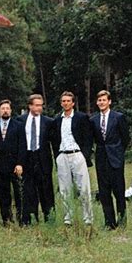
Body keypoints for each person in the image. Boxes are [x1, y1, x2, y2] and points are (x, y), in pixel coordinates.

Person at [52, 92, 93, 226]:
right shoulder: (57, 120)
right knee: (64, 189)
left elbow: (88, 138)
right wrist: (57, 156)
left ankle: (88, 218)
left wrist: (84, 155)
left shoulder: (81, 118)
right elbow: (54, 140)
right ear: (61, 103)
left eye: (68, 101)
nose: (66, 103)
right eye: (63, 101)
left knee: (83, 187)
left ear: (73, 103)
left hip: (77, 154)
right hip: (62, 155)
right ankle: (67, 218)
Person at [90, 90, 129, 229]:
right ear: (97, 102)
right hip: (101, 159)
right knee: (104, 193)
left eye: (104, 100)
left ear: (109, 101)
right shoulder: (93, 120)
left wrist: (118, 151)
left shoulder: (118, 117)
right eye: (99, 100)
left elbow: (125, 138)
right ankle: (109, 223)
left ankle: (122, 221)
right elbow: (93, 139)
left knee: (119, 191)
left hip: (116, 159)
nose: (101, 102)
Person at [18, 94, 55, 225]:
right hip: (27, 158)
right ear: (30, 106)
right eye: (37, 105)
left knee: (46, 190)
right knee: (28, 190)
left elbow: (54, 143)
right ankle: (29, 220)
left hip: (42, 158)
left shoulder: (48, 122)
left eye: (41, 105)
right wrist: (19, 162)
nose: (40, 108)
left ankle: (49, 218)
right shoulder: (20, 120)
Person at [0, 100, 26, 226]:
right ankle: (6, 219)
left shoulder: (18, 125)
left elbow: (22, 146)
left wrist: (20, 164)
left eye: (7, 108)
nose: (5, 110)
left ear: (11, 111)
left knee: (18, 193)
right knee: (3, 193)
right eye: (3, 108)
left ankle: (20, 218)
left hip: (15, 165)